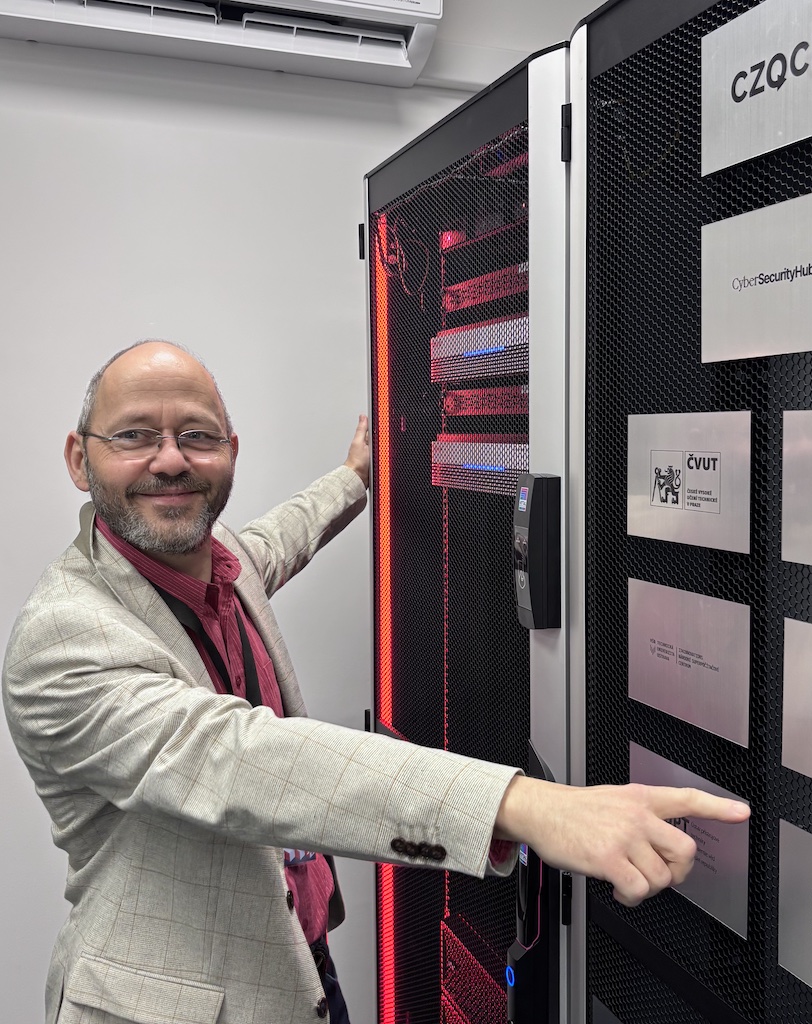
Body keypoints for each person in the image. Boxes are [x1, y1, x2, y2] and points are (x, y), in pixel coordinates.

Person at [3, 340, 750, 1024]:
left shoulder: (220, 562)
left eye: (196, 435)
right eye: (134, 436)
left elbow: (277, 540)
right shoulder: (65, 637)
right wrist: (528, 805)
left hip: (297, 967)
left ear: (230, 450)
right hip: (176, 1004)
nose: (170, 461)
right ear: (79, 458)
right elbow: (244, 760)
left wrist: (355, 479)